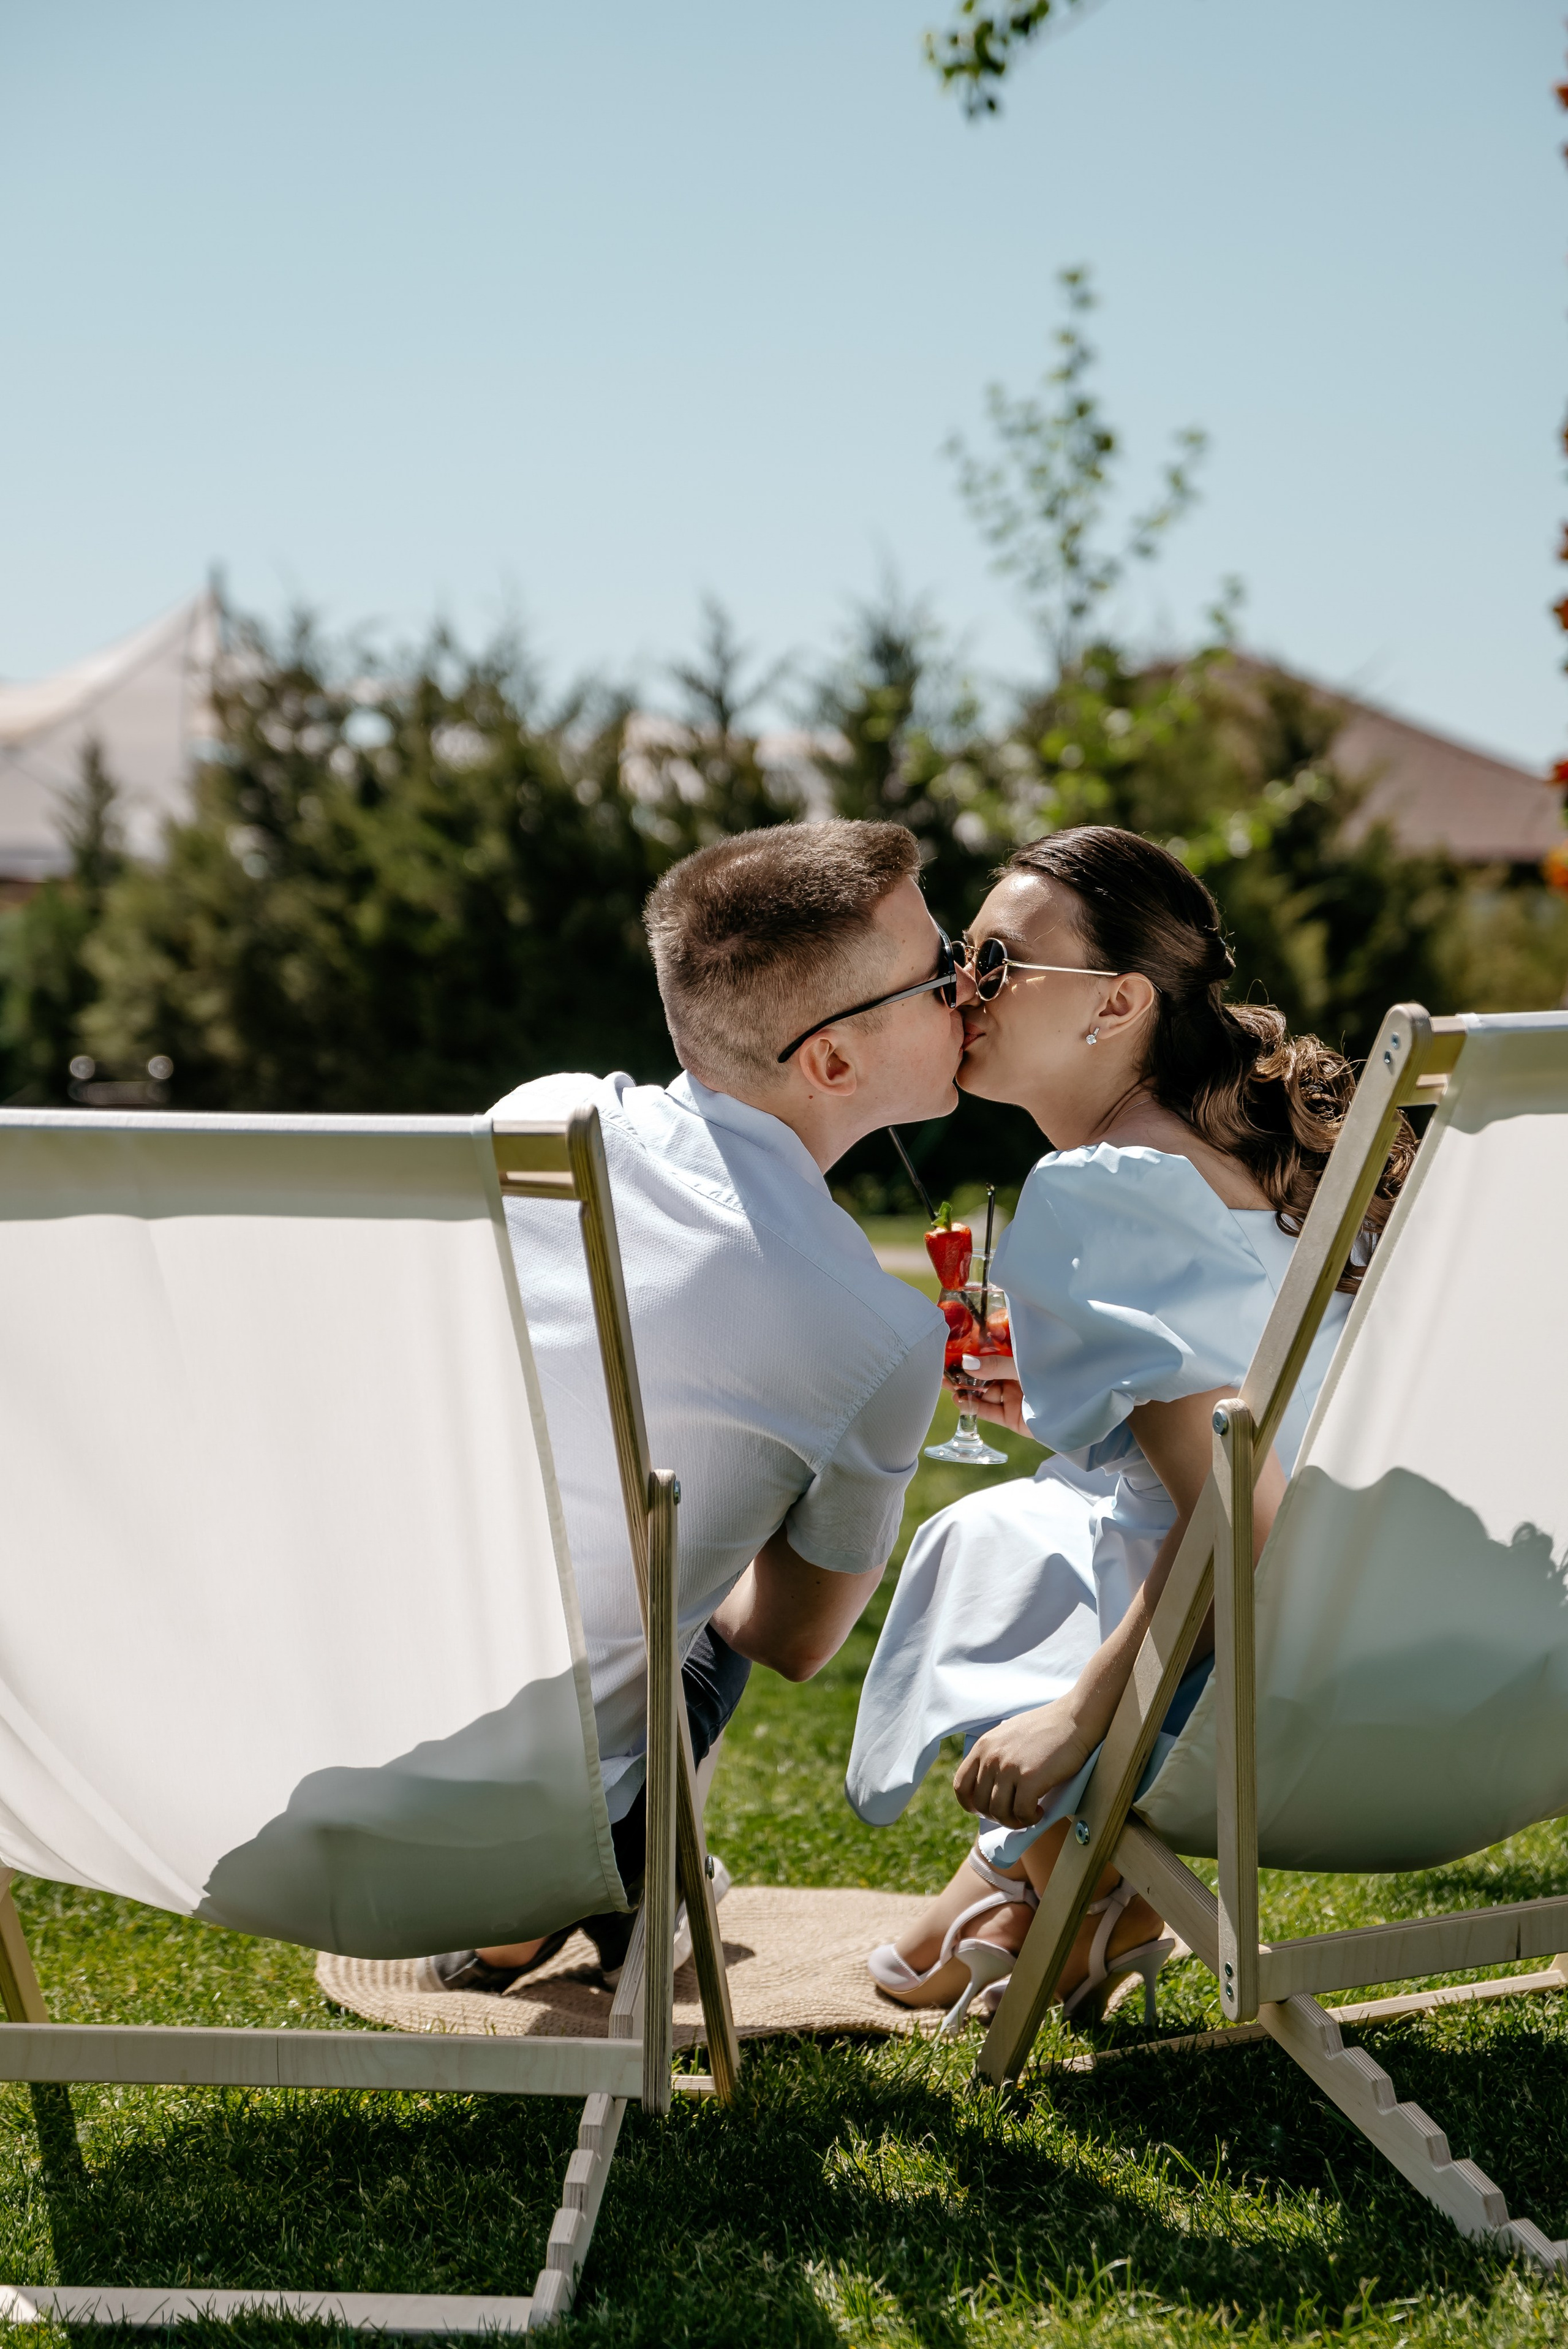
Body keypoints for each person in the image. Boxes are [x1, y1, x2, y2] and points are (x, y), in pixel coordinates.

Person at [846, 824, 1413, 2030]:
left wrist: (1078, 1712)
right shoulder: (1272, 1155)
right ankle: (1039, 1893)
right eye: (961, 957)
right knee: (1025, 1513)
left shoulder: (1106, 1187)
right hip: (1412, 1626)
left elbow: (1233, 1507)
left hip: (1257, 1663)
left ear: (1113, 1004)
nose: (960, 987)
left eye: (997, 964)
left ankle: (1058, 1880)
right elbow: (1254, 1420)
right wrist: (1063, 1407)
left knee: (974, 1546)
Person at [421, 817, 976, 1993]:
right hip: (526, 1813)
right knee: (686, 1587)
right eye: (942, 974)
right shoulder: (875, 1332)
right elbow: (788, 1639)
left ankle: (561, 1907)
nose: (971, 988)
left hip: (309, 1759)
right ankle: (605, 1882)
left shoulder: (539, 1120)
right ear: (831, 1064)